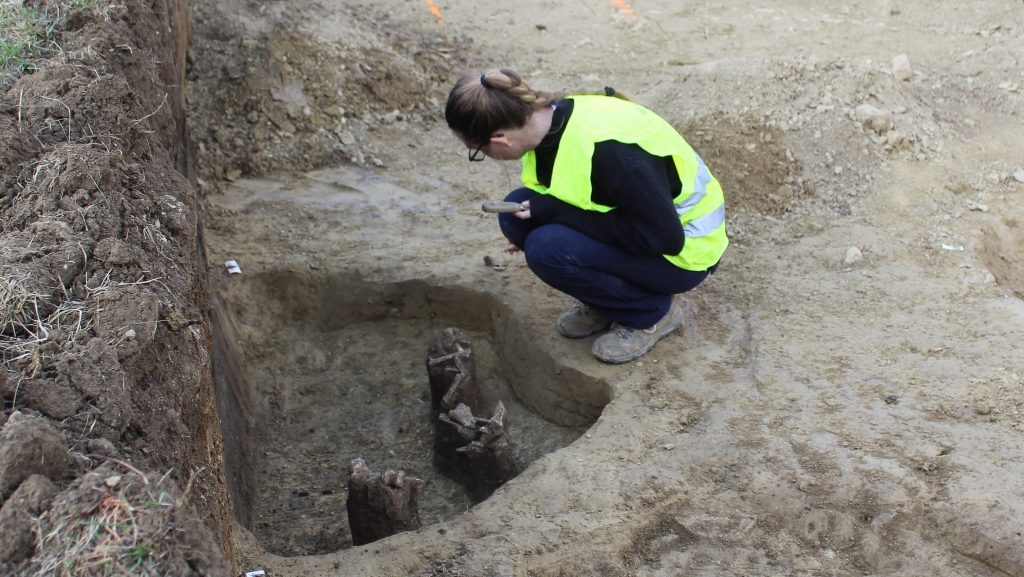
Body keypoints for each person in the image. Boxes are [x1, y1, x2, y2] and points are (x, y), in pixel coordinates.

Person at [445, 68, 728, 364]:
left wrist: (556, 214)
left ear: (500, 139)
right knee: (515, 213)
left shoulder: (614, 154)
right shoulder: (547, 123)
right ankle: (608, 302)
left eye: (478, 150)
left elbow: (664, 238)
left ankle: (650, 313)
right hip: (646, 227)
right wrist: (551, 213)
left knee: (547, 249)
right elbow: (582, 190)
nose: (484, 156)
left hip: (685, 254)